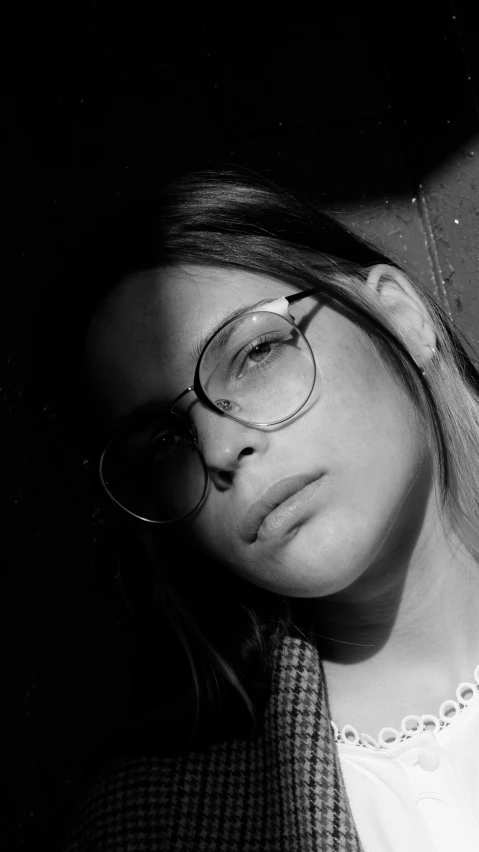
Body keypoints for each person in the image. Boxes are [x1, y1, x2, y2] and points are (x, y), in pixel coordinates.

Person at [42, 169, 479, 851]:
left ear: (399, 314)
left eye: (253, 352)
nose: (217, 446)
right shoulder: (149, 827)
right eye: (163, 442)